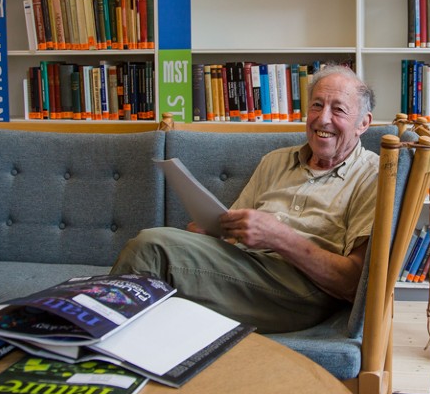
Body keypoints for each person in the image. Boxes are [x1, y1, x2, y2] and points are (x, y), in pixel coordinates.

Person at [111, 64, 379, 333]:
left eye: (339, 110)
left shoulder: (372, 174)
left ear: (363, 123)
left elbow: (353, 283)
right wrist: (210, 234)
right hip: (246, 270)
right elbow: (231, 235)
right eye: (317, 105)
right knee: (161, 256)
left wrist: (279, 237)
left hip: (301, 292)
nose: (323, 119)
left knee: (151, 247)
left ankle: (97, 343)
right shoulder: (275, 161)